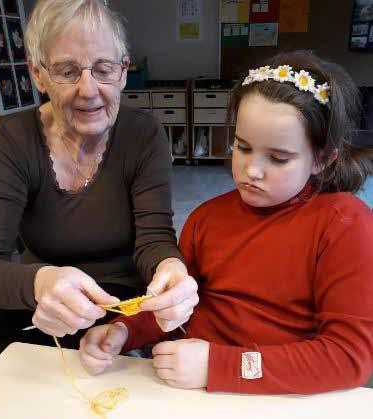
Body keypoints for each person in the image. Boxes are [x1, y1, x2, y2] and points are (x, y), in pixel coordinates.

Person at [79, 50, 373, 394]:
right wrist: (124, 331)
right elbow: (174, 308)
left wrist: (218, 366)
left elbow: (348, 357)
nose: (252, 171)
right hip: (188, 382)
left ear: (322, 159)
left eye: (278, 158)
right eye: (242, 147)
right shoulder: (207, 218)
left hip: (276, 395)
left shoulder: (346, 226)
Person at [0, 0, 198, 354]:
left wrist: (171, 268)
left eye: (103, 69)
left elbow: (154, 240)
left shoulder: (144, 135)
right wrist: (38, 282)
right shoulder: (10, 141)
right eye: (68, 71)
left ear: (122, 71)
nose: (88, 90)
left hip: (126, 310)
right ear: (38, 73)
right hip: (42, 305)